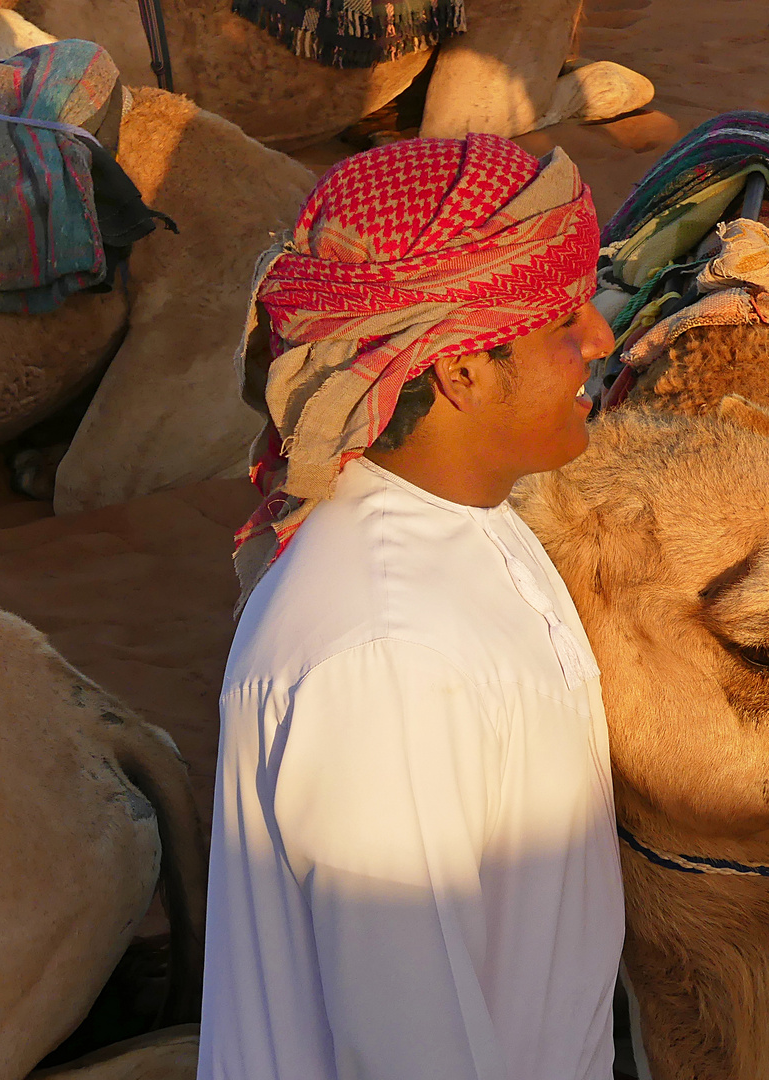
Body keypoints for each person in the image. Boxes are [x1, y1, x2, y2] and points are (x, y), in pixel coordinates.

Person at [199, 134, 624, 1080]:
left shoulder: (476, 528)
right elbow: (404, 1040)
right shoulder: (382, 655)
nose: (600, 339)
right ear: (460, 370)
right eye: (562, 321)